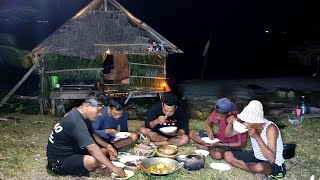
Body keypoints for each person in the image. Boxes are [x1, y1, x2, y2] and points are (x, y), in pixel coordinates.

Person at [46, 93, 125, 178]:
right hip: (58, 162)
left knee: (104, 151)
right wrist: (113, 167)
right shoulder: (76, 121)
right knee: (93, 160)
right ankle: (96, 166)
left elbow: (93, 134)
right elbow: (92, 149)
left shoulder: (79, 113)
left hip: (74, 151)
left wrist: (108, 145)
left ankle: (99, 165)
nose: (100, 114)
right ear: (87, 106)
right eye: (99, 110)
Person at [224, 100, 286, 180]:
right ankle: (254, 169)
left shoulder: (271, 129)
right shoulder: (250, 125)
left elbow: (271, 159)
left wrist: (257, 137)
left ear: (257, 121)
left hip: (274, 164)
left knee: (259, 167)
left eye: (248, 121)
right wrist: (230, 123)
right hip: (257, 156)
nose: (245, 123)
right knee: (227, 155)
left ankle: (256, 170)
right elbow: (228, 134)